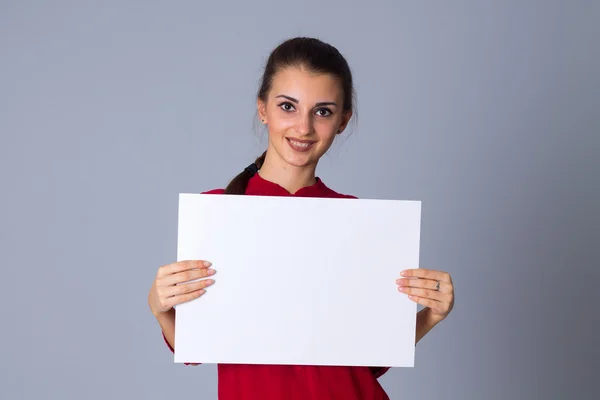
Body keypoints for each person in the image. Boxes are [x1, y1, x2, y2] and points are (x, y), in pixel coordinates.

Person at [147, 36, 455, 400]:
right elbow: (199, 345)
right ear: (263, 109)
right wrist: (159, 306)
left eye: (322, 111)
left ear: (343, 120)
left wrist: (429, 316)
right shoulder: (217, 214)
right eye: (288, 106)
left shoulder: (360, 222)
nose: (304, 127)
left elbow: (366, 361)